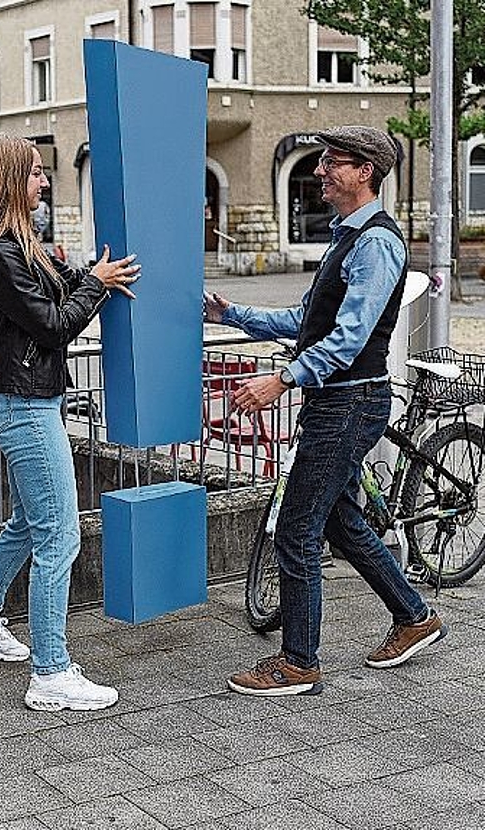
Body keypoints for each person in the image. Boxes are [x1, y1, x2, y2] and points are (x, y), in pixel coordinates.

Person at [204, 125, 447, 697]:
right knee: (338, 519)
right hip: (338, 401)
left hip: (349, 402)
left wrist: (281, 379)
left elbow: (349, 336)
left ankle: (298, 663)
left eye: (332, 162)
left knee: (297, 527)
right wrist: (232, 313)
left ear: (365, 171)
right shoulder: (347, 240)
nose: (320, 171)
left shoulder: (375, 244)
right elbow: (307, 321)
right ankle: (415, 617)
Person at [0, 133, 140, 711]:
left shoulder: (17, 245)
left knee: (27, 523)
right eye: (35, 173)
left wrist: (91, 274)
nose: (43, 182)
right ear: (10, 179)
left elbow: (61, 289)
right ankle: (51, 673)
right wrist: (99, 287)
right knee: (61, 534)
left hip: (31, 402)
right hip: (24, 407)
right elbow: (56, 324)